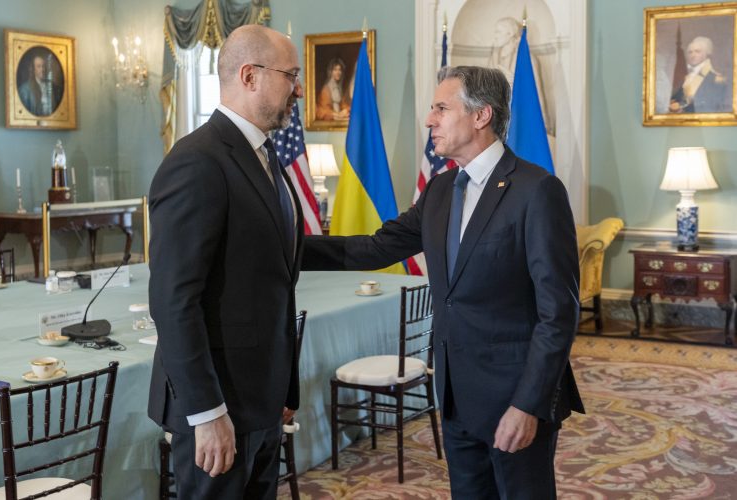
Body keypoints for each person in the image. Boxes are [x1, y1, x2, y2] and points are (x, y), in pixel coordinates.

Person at [302, 65, 584, 499]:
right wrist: (284, 247)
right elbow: (374, 248)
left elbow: (558, 313)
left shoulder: (536, 190)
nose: (429, 120)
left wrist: (527, 404)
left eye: (440, 108)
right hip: (455, 397)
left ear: (480, 116)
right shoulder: (439, 189)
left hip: (515, 398)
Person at [147, 24, 304, 500]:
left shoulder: (263, 154)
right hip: (216, 405)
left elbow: (277, 254)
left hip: (260, 401)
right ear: (250, 76)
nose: (298, 89)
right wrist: (207, 413)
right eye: (290, 76)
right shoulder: (196, 160)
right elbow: (174, 302)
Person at [669, 36, 729, 113]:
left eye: (697, 51)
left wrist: (681, 106)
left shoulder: (716, 80)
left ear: (706, 53)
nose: (693, 55)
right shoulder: (688, 77)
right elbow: (675, 99)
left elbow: (709, 106)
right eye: (690, 52)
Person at [18, 52, 62, 116]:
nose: (42, 69)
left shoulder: (54, 87)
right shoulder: (25, 90)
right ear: (33, 69)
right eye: (39, 66)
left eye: (43, 66)